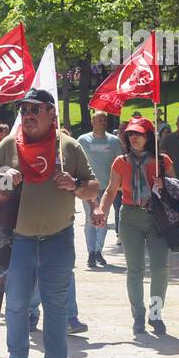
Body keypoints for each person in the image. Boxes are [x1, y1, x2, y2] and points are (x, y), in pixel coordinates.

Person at [0, 89, 98, 358]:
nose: (29, 115)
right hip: (18, 240)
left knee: (56, 308)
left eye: (36, 109)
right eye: (24, 109)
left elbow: (93, 187)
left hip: (58, 240)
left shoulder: (68, 146)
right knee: (17, 305)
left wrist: (74, 185)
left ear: (51, 113)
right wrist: (4, 177)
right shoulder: (9, 145)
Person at [95, 117, 175, 336]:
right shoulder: (121, 161)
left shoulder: (162, 160)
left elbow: (176, 189)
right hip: (130, 217)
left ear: (149, 136)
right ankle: (138, 316)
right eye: (130, 133)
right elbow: (111, 191)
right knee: (135, 270)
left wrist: (165, 184)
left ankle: (156, 314)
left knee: (160, 269)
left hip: (157, 218)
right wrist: (101, 210)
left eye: (138, 133)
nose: (133, 137)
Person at [77, 111, 124, 267]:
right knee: (90, 219)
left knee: (102, 219)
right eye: (99, 120)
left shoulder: (114, 141)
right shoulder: (83, 140)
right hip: (88, 187)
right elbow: (75, 160)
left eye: (104, 120)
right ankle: (91, 252)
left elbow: (119, 163)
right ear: (92, 122)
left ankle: (98, 251)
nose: (102, 122)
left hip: (107, 187)